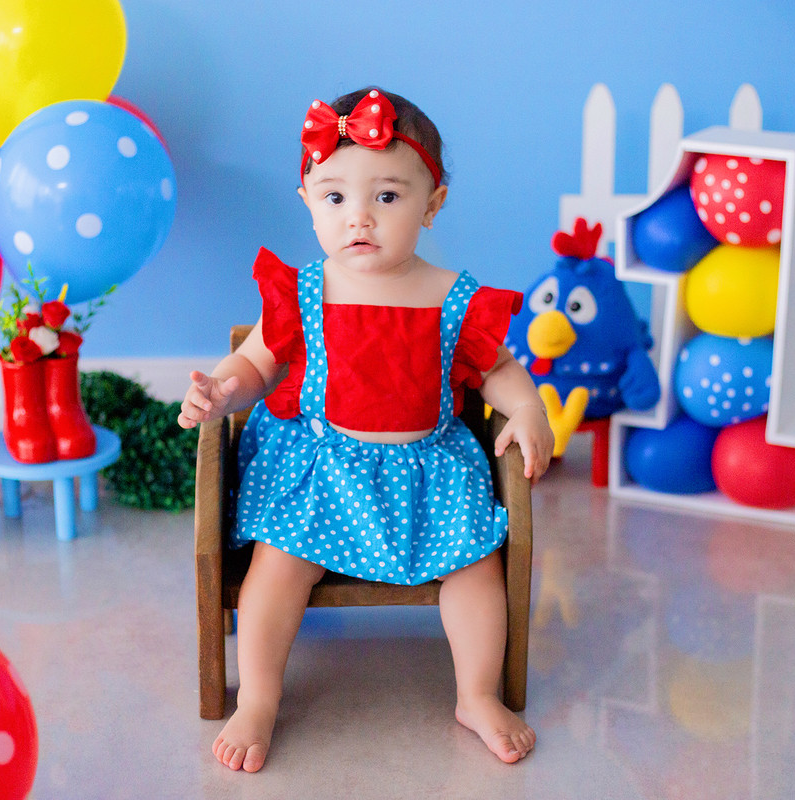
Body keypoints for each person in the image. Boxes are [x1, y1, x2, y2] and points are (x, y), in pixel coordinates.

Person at [178, 87, 554, 773]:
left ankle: (476, 692)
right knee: (275, 571)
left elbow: (497, 367)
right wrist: (222, 388)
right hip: (320, 473)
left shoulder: (449, 295)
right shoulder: (303, 292)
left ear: (432, 204)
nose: (360, 219)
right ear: (307, 200)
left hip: (428, 474)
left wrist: (526, 407)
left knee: (475, 570)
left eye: (386, 197)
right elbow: (259, 362)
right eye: (335, 198)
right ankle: (259, 696)